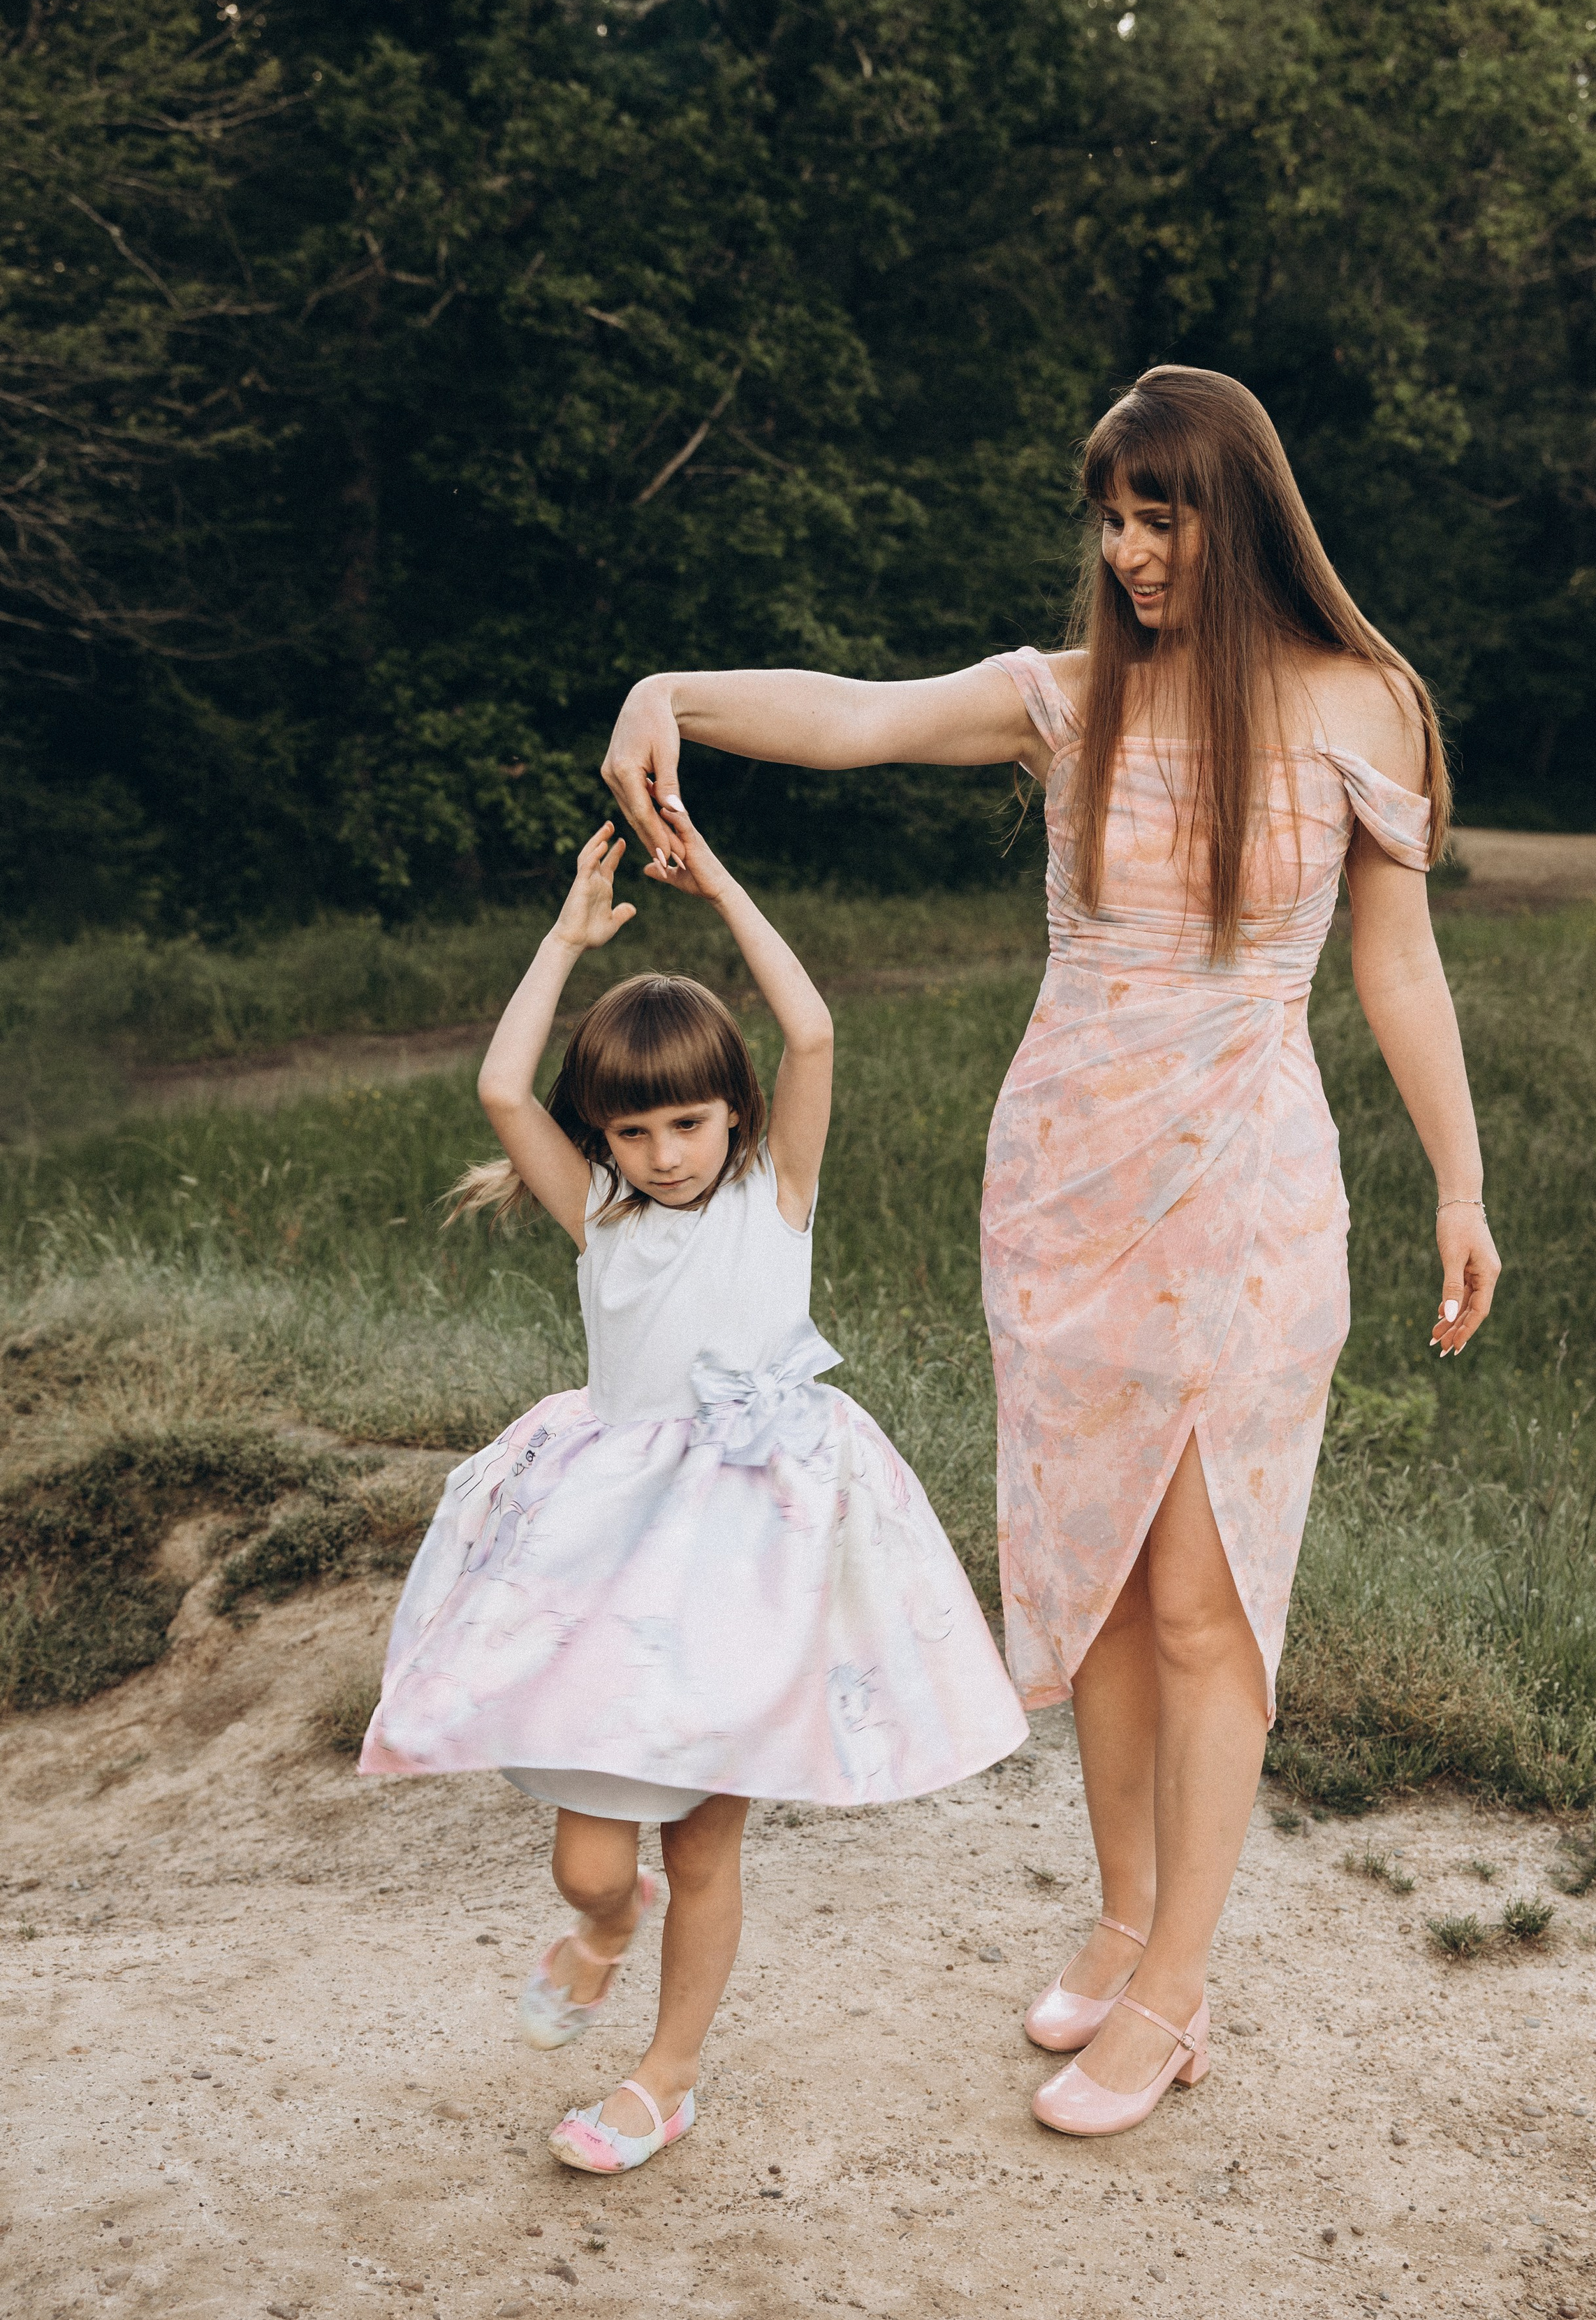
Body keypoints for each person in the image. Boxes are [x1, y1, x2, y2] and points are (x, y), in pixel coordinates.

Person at [601, 365, 1501, 2140]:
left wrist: (1458, 1191)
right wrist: (668, 691)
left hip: (1244, 1191)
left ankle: (1173, 1994)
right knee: (1090, 1591)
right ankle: (1114, 1922)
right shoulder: (1065, 700)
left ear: (1230, 510)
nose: (1126, 550)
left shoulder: (1361, 704)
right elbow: (854, 715)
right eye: (1108, 517)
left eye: (1155, 516)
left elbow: (1392, 967)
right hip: (1061, 1183)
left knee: (1197, 1599)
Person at [358, 806, 1027, 2174]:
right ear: (601, 1134)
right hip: (610, 1547)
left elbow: (816, 1033)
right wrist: (563, 936)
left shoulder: (772, 1195)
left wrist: (718, 881)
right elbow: (498, 1091)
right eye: (634, 1129)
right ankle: (604, 1931)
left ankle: (664, 2079)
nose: (665, 1153)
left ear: (735, 1116)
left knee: (709, 1845)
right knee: (594, 1861)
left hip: (750, 1557)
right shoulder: (598, 1213)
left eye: (687, 1123)